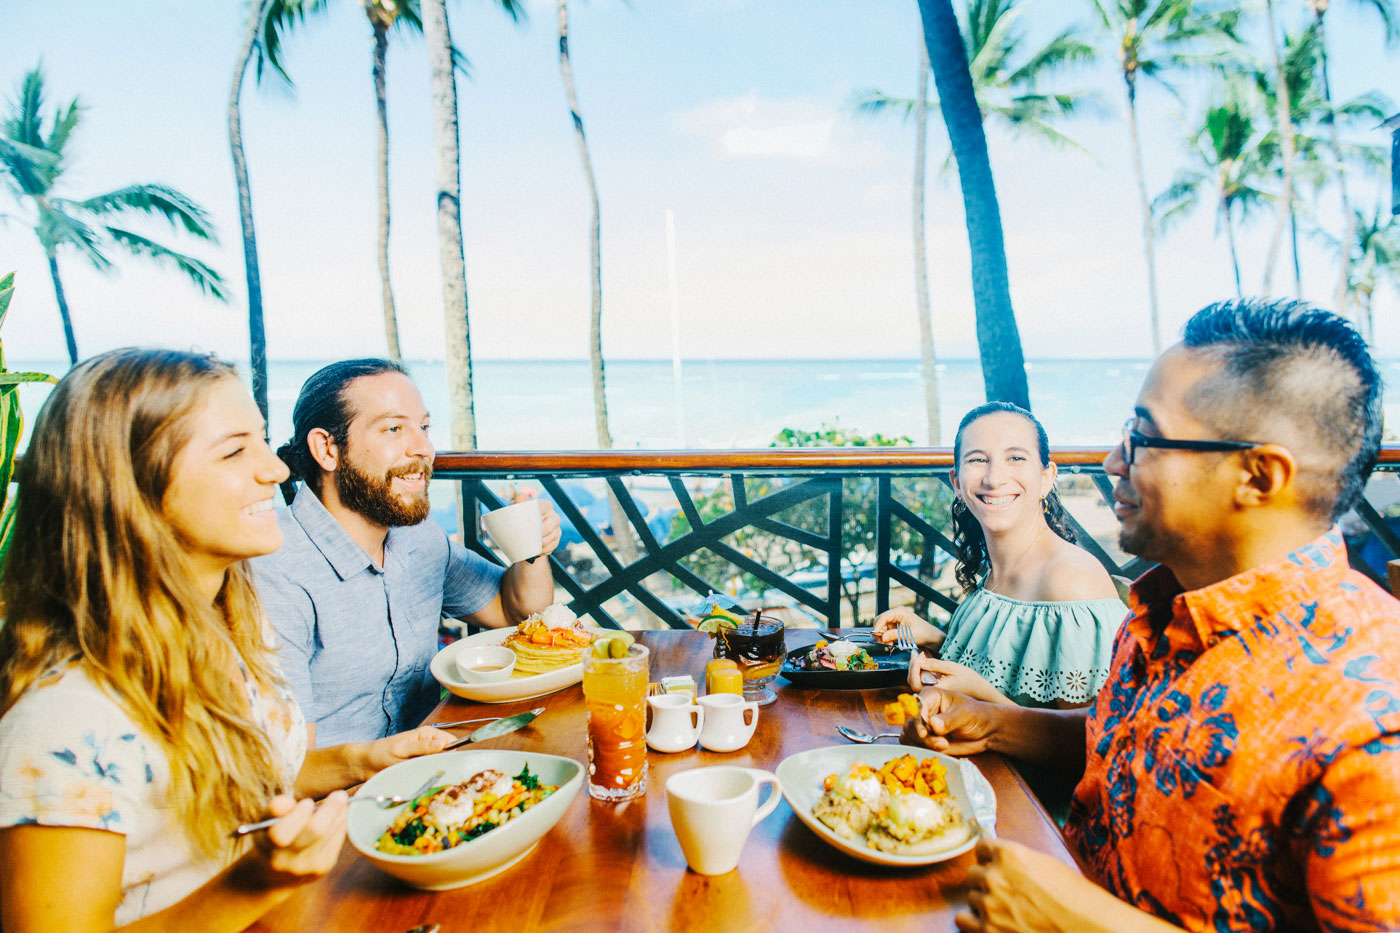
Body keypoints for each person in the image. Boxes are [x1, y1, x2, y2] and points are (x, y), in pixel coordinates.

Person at [906, 299, 1400, 932]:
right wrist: (997, 723)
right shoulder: (1159, 613)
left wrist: (1081, 923)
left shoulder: (1369, 716)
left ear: (1259, 475)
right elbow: (1131, 744)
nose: (1114, 461)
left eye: (1142, 439)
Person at [0, 349, 440, 930]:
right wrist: (255, 883)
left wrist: (363, 759)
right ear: (131, 484)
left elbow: (239, 786)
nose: (277, 470)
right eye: (234, 451)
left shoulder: (225, 621)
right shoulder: (68, 716)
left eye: (260, 440)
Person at [252, 359, 561, 745]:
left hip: (436, 765)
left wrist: (532, 545)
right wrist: (391, 756)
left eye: (424, 428)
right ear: (327, 449)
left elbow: (516, 611)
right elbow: (286, 766)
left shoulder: (417, 537)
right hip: (337, 798)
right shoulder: (273, 568)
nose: (424, 449)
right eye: (394, 428)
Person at [873, 402, 1126, 708]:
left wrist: (979, 699)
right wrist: (936, 639)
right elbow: (1008, 675)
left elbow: (1091, 743)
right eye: (978, 460)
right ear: (956, 482)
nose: (994, 478)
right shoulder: (996, 573)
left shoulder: (1072, 581)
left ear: (1047, 477)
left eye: (1016, 458)